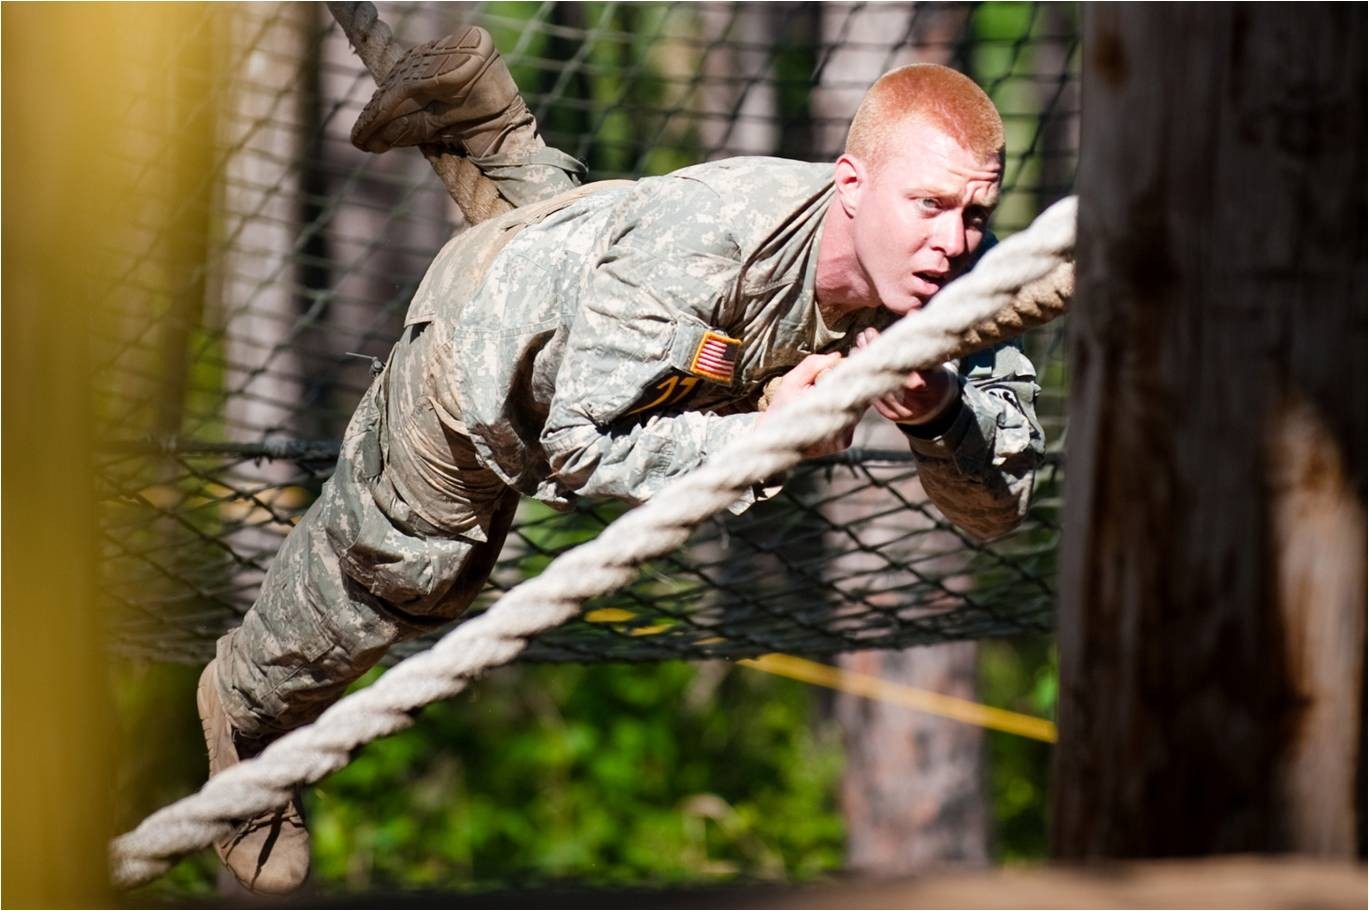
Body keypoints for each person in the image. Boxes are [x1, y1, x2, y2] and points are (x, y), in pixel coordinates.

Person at [198, 25, 1045, 894]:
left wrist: (939, 413)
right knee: (414, 571)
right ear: (852, 186)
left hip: (624, 297)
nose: (953, 239)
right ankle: (242, 709)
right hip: (480, 356)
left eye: (974, 211)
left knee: (630, 301)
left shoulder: (949, 292)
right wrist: (764, 437)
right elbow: (576, 445)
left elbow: (997, 506)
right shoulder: (712, 242)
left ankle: (484, 123)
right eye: (930, 206)